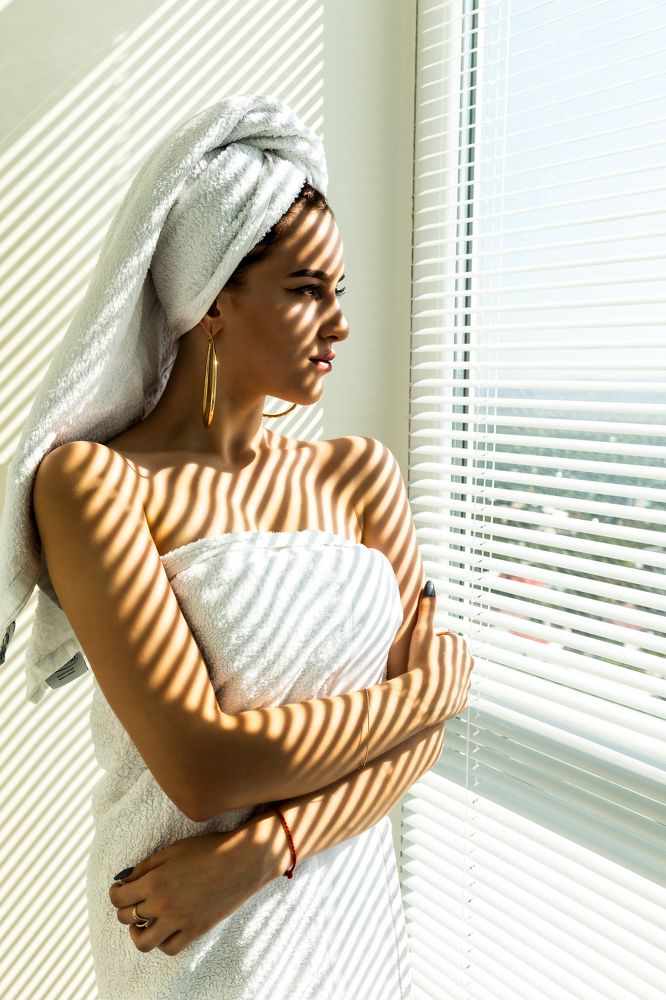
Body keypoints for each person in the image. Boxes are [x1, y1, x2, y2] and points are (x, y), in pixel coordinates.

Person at [29, 108, 474, 999]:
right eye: (307, 289)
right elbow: (202, 769)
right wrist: (431, 689)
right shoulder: (96, 486)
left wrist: (266, 850)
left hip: (340, 898)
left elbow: (415, 743)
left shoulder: (359, 476)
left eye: (339, 291)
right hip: (187, 928)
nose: (339, 324)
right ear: (212, 301)